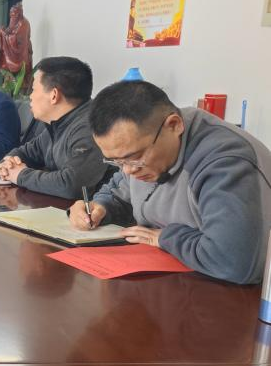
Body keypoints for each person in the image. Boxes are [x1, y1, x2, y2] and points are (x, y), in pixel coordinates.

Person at [69, 80, 271, 284]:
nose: (128, 170)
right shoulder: (141, 151)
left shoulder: (226, 161)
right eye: (116, 161)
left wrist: (165, 238)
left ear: (174, 125)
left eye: (134, 157)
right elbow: (117, 191)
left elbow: (232, 261)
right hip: (172, 275)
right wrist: (100, 207)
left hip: (233, 292)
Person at [0, 56, 108, 199]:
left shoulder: (91, 126)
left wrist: (21, 175)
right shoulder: (57, 124)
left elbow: (72, 185)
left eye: (33, 90)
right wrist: (8, 164)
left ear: (54, 95)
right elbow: (25, 152)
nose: (30, 96)